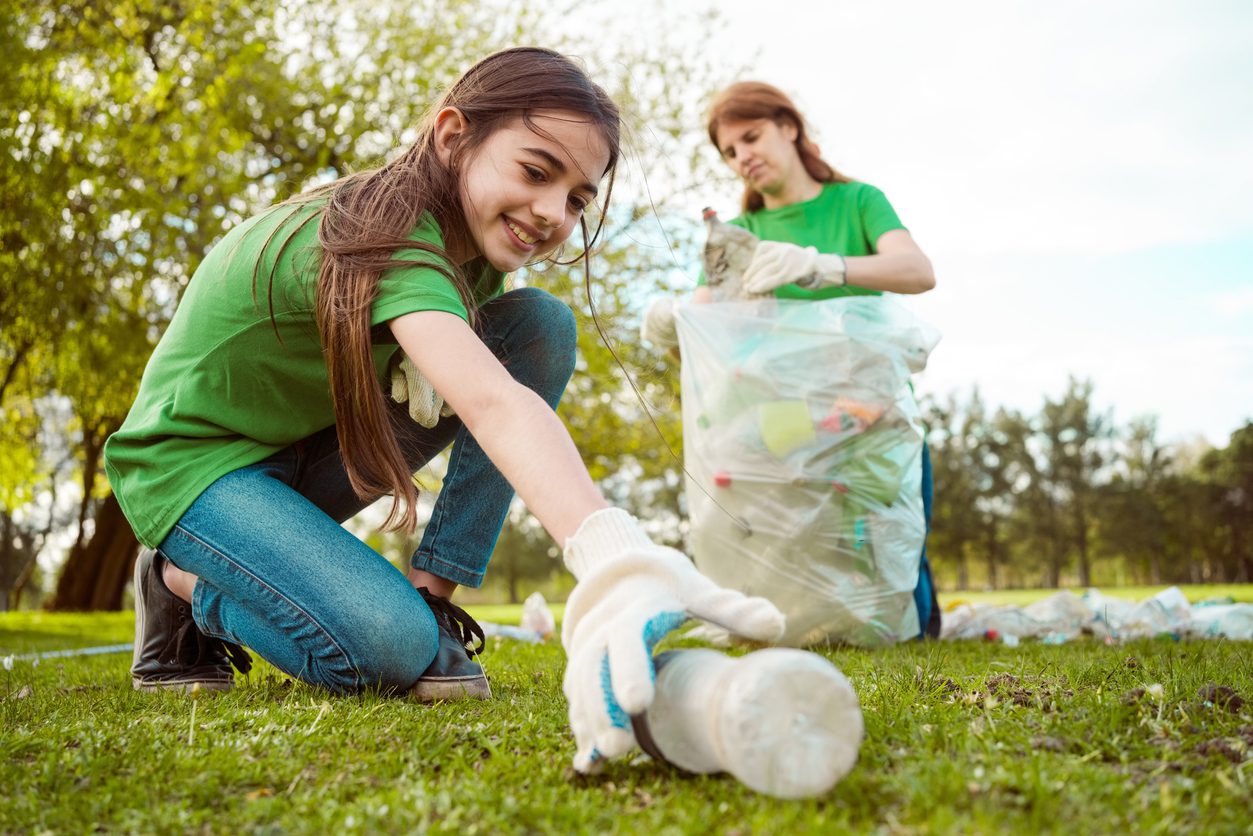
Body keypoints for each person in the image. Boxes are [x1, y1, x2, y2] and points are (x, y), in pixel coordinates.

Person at [104, 48, 783, 773]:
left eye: (579, 197)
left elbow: (506, 383)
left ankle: (430, 598)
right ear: (454, 134)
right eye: (534, 170)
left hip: (303, 449)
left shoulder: (478, 257)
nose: (553, 213)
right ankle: (181, 583)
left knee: (538, 327)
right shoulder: (382, 229)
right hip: (196, 467)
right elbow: (493, 405)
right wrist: (613, 558)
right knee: (384, 652)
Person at [646, 80, 941, 637]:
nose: (743, 158)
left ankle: (912, 624)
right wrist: (674, 318)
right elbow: (712, 323)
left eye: (751, 137)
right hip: (788, 424)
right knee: (798, 543)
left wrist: (824, 266)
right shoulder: (741, 235)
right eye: (730, 152)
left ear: (790, 127)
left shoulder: (857, 202)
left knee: (893, 541)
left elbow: (917, 272)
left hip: (870, 412)